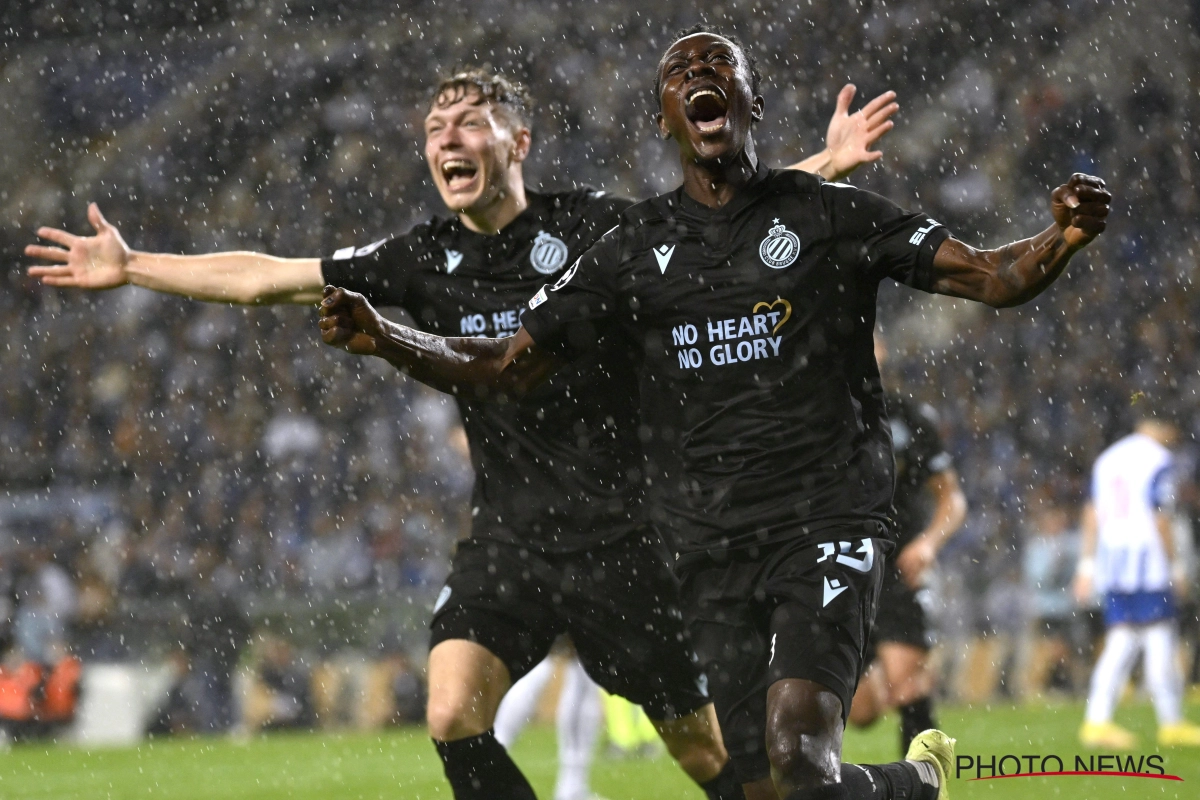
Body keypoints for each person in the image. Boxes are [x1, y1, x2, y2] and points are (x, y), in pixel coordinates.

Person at [26, 63, 897, 799]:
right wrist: (134, 264)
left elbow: (718, 226)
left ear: (517, 143)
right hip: (511, 538)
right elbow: (268, 279)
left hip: (631, 544)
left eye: (469, 123)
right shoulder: (420, 256)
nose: (447, 140)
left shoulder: (590, 226)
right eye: (435, 129)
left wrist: (825, 165)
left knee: (712, 758)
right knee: (450, 712)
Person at [317, 23, 1112, 800]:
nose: (698, 70)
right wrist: (385, 335)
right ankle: (911, 784)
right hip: (707, 547)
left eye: (716, 62)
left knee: (799, 761)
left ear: (751, 101)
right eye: (679, 68)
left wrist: (1062, 237)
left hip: (825, 522)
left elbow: (988, 275)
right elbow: (502, 364)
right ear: (664, 117)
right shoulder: (632, 249)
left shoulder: (828, 214)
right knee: (758, 785)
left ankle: (913, 778)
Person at [847, 338, 967, 756]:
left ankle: (922, 781)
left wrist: (929, 544)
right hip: (843, 570)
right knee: (859, 713)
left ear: (882, 352)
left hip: (901, 568)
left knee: (907, 685)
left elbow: (952, 499)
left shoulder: (910, 417)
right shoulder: (819, 416)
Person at [1073, 410, 1200, 748]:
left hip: (1114, 561)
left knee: (1123, 638)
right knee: (1159, 636)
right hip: (1147, 561)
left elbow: (1091, 513)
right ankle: (1171, 722)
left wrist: (1087, 565)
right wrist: (1176, 567)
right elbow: (1161, 517)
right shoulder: (1159, 460)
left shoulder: (1107, 459)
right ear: (1161, 425)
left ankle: (1096, 721)